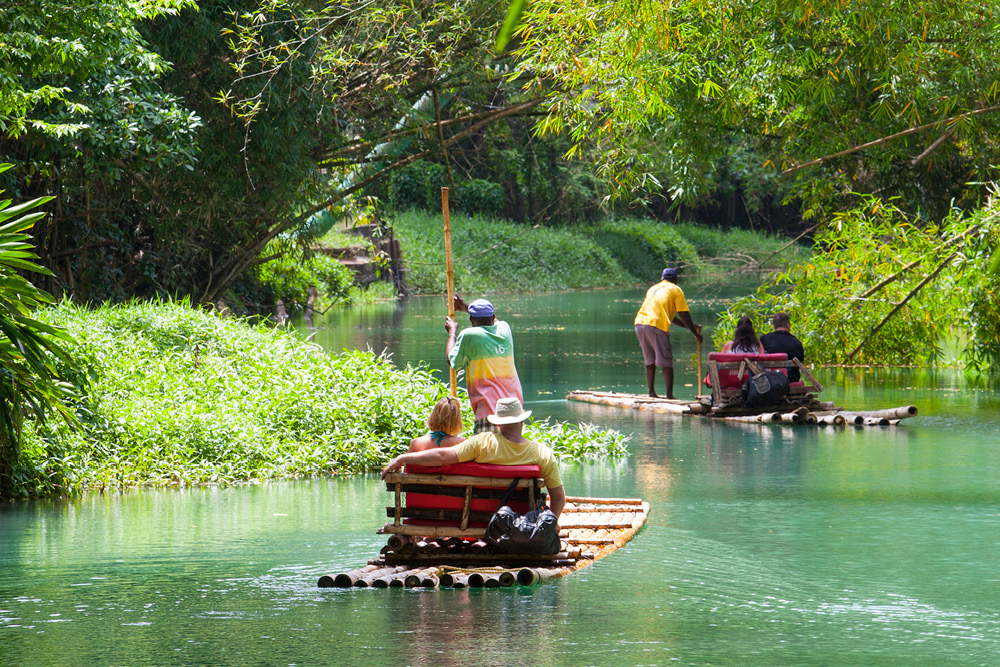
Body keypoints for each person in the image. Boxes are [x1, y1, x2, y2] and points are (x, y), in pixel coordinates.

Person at [382, 397, 565, 518]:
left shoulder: (481, 443)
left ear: (498, 424)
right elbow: (558, 497)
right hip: (523, 521)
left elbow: (442, 457)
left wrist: (403, 458)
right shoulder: (543, 453)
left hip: (479, 518)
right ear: (522, 422)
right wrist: (554, 522)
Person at [446, 296, 523, 434]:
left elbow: (452, 361)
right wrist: (466, 308)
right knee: (510, 453)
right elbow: (495, 321)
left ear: (471, 320)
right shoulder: (505, 329)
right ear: (492, 316)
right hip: (514, 410)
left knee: (486, 454)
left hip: (489, 411)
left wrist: (452, 332)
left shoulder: (469, 335)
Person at [634, 267, 703, 399]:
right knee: (666, 361)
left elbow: (670, 316)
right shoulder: (676, 289)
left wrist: (689, 327)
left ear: (662, 279)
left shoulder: (653, 288)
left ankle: (651, 393)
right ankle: (670, 396)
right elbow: (684, 314)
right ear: (675, 280)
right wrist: (695, 333)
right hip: (655, 325)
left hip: (639, 324)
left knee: (650, 361)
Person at [760, 312, 806, 382]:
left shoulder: (764, 340)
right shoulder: (796, 342)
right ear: (788, 325)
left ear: (774, 326)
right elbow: (801, 364)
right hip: (791, 380)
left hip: (770, 380)